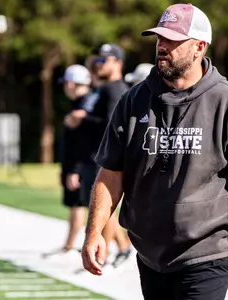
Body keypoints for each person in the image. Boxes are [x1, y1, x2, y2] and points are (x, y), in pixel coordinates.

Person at [81, 3, 228, 299]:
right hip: (150, 252)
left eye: (173, 40)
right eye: (160, 38)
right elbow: (111, 174)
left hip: (207, 253)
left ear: (199, 47)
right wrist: (94, 232)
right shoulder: (133, 101)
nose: (162, 46)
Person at [42, 64, 100, 258]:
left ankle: (71, 246)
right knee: (83, 205)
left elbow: (82, 143)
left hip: (83, 165)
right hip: (80, 164)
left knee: (81, 205)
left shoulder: (84, 107)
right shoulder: (81, 105)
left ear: (70, 83)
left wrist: (74, 169)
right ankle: (70, 244)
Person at [91, 43, 133, 268]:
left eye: (103, 60)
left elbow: (113, 127)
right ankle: (122, 247)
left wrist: (83, 120)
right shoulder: (110, 87)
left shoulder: (114, 89)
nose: (99, 64)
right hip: (106, 158)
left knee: (105, 205)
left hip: (109, 160)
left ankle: (103, 252)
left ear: (117, 63)